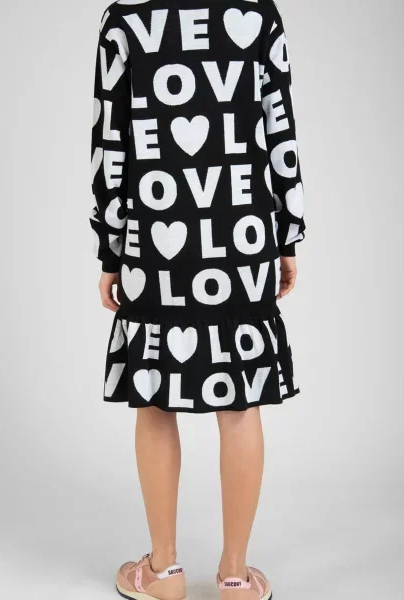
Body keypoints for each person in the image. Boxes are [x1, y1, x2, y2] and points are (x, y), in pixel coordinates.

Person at [89, 0, 305, 597]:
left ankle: (163, 571)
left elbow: (111, 143)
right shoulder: (258, 14)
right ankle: (235, 576)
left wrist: (111, 250)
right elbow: (280, 131)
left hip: (155, 227)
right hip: (242, 229)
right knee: (239, 401)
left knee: (155, 397)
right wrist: (286, 235)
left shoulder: (125, 19)